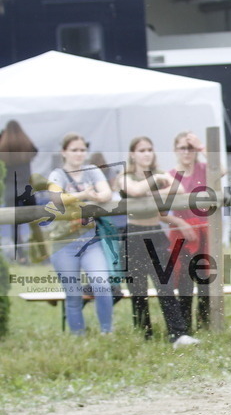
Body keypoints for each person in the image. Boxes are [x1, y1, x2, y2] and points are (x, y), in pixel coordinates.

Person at [116, 136, 200, 347]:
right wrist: (155, 184)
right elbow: (133, 191)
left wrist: (150, 193)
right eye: (142, 150)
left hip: (155, 233)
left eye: (149, 149)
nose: (146, 154)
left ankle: (178, 334)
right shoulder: (124, 176)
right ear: (133, 154)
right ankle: (145, 335)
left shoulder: (160, 175)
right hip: (133, 235)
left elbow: (178, 189)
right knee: (138, 290)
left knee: (165, 284)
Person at [44, 133, 114, 334]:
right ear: (64, 152)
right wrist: (84, 195)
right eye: (74, 149)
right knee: (73, 294)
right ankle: (78, 336)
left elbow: (106, 193)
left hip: (89, 239)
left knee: (102, 286)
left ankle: (107, 332)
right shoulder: (57, 174)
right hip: (63, 241)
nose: (79, 153)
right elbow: (56, 198)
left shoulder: (91, 170)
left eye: (82, 149)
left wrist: (86, 197)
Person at [166, 131, 210, 335]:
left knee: (205, 277)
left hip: (203, 230)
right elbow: (162, 207)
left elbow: (223, 169)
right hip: (181, 231)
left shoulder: (204, 169)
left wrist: (202, 147)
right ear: (175, 150)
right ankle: (186, 327)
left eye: (190, 148)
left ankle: (206, 322)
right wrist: (180, 224)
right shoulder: (169, 175)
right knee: (184, 279)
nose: (187, 152)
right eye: (183, 148)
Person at [0, 120, 38, 263]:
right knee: (36, 221)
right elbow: (35, 151)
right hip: (26, 188)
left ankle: (20, 255)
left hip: (10, 189)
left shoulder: (2, 149)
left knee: (14, 226)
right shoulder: (26, 146)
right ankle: (40, 251)